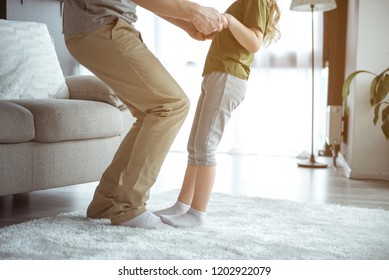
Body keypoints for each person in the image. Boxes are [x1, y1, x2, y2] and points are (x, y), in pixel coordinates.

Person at [62, 0, 228, 229]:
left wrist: (188, 23)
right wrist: (194, 12)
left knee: (150, 111)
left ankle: (106, 203)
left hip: (99, 26)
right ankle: (129, 208)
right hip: (101, 25)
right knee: (171, 104)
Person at [154, 0, 281, 227]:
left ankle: (197, 214)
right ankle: (182, 205)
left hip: (227, 76)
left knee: (205, 146)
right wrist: (218, 30)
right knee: (195, 145)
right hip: (216, 75)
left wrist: (229, 20)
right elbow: (237, 36)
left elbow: (254, 42)